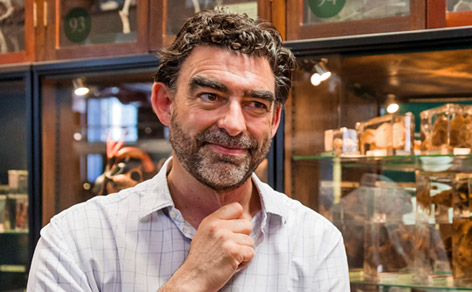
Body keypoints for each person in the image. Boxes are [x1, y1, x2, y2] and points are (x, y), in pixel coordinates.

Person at [27, 9, 350, 291]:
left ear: (274, 119)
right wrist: (191, 280)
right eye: (211, 96)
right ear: (165, 103)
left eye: (255, 104)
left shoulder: (316, 241)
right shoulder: (75, 240)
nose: (234, 124)